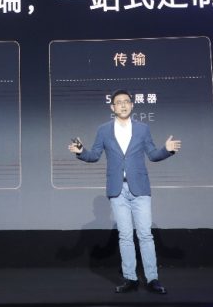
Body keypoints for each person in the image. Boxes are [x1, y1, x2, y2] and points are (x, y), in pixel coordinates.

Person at [68, 89, 181, 294]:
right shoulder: (103, 130)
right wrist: (81, 151)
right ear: (112, 107)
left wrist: (167, 149)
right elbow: (94, 155)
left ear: (132, 105)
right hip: (117, 189)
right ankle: (130, 279)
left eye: (126, 101)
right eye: (118, 102)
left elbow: (153, 155)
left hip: (140, 188)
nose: (122, 105)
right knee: (125, 236)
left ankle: (152, 279)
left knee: (145, 235)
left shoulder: (142, 129)